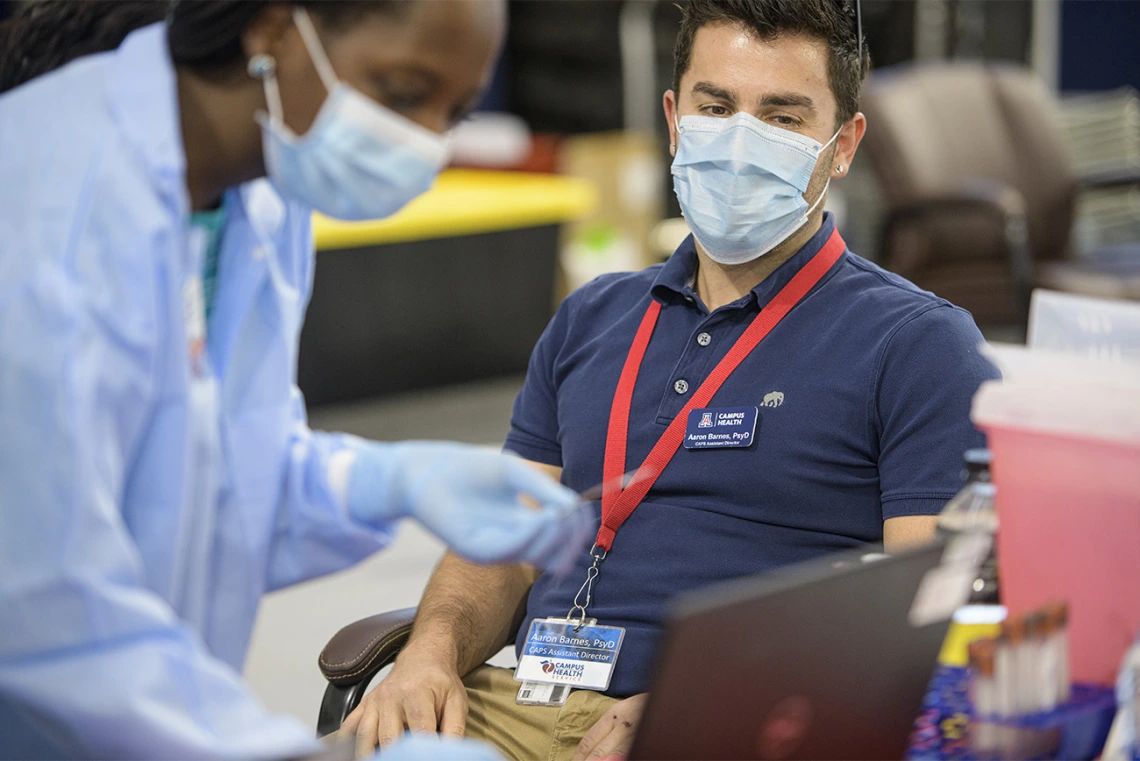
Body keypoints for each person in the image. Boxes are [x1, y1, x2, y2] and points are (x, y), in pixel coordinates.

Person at [342, 0, 1001, 759]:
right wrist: (427, 653)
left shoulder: (917, 343)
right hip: (515, 703)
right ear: (674, 119)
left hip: (733, 725)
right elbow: (505, 542)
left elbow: (921, 611)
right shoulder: (590, 317)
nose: (741, 141)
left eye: (782, 118)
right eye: (716, 107)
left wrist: (708, 703)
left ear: (843, 144)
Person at [0, 1, 592, 758]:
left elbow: (206, 481)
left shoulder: (260, 192)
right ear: (274, 28)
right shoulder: (52, 201)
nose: (426, 143)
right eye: (404, 91)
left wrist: (384, 480)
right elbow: (39, 596)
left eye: (456, 111)